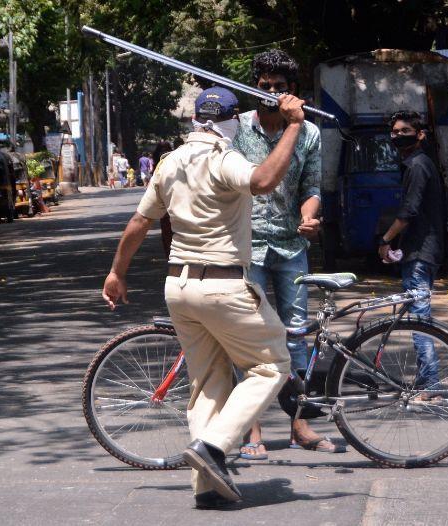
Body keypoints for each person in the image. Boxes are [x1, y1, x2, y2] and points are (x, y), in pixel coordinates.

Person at [102, 87, 307, 509]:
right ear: (232, 120)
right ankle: (214, 448)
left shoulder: (171, 161)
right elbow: (265, 181)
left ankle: (207, 488)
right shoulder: (223, 156)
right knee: (272, 365)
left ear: (197, 119)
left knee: (208, 385)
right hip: (223, 285)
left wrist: (116, 273)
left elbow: (140, 221)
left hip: (179, 288)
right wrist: (294, 126)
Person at [232, 49, 344, 460]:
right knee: (249, 338)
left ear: (293, 93)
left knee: (296, 336)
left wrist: (310, 217)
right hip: (246, 246)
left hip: (290, 247)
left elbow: (310, 188)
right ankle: (251, 429)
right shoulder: (236, 129)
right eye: (264, 86)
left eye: (280, 88)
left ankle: (299, 424)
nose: (271, 93)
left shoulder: (309, 132)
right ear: (254, 87)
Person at [377, 110, 445, 402]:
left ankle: (430, 385)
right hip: (419, 251)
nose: (397, 136)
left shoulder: (418, 166)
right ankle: (424, 381)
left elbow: (409, 212)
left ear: (420, 135)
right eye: (394, 132)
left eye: (404, 131)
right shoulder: (418, 164)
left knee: (419, 320)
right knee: (418, 317)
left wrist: (385, 240)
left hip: (421, 252)